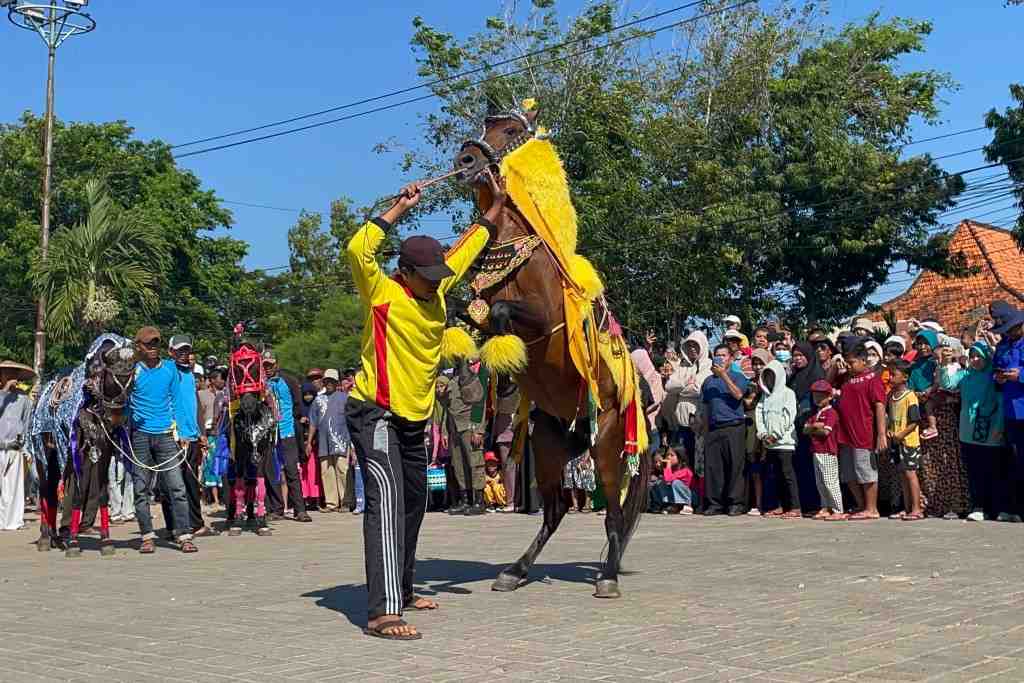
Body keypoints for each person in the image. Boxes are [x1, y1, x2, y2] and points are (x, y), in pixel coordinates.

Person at [345, 175, 503, 640]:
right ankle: (383, 611)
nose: (436, 286)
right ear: (404, 271)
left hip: (416, 419)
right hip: (376, 413)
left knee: (415, 502)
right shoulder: (382, 292)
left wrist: (497, 204)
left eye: (439, 278)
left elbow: (473, 243)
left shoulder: (436, 280)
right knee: (388, 502)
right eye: (426, 279)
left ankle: (405, 585)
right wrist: (399, 208)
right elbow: (359, 248)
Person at [129, 326, 196, 553]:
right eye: (148, 344)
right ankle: (147, 536)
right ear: (138, 347)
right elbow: (121, 400)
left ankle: (184, 534)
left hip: (166, 435)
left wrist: (185, 433)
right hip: (140, 436)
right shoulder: (132, 371)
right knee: (141, 489)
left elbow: (178, 402)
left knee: (177, 487)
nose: (153, 348)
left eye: (156, 343)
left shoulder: (170, 369)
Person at [941, 341, 1007, 522]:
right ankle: (979, 506)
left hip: (991, 431)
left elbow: (1001, 403)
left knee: (995, 471)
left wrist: (999, 427)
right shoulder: (966, 375)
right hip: (968, 432)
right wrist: (945, 363)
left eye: (978, 356)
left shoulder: (994, 376)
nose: (975, 360)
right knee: (975, 472)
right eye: (972, 357)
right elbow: (948, 383)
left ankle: (999, 507)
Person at [163, 335, 217, 538]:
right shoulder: (167, 371)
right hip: (174, 437)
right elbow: (165, 403)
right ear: (170, 351)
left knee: (192, 482)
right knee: (171, 484)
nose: (184, 354)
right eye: (179, 350)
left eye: (187, 350)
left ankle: (195, 523)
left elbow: (194, 407)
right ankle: (173, 526)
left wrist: (201, 433)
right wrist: (174, 431)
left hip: (192, 437)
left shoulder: (190, 375)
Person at [835, 342, 887, 520]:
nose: (848, 366)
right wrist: (836, 367)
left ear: (863, 361)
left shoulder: (873, 379)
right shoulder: (845, 379)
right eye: (846, 362)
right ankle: (860, 504)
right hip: (845, 433)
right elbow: (826, 382)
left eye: (852, 362)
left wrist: (881, 434)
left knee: (866, 471)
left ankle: (872, 508)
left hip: (863, 433)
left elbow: (879, 406)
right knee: (849, 473)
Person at [699, 344, 749, 515]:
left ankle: (736, 502)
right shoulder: (707, 381)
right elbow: (705, 407)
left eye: (723, 355)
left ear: (730, 358)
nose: (720, 358)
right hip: (714, 428)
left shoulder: (738, 377)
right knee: (714, 468)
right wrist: (704, 430)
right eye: (717, 355)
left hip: (734, 426)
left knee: (735, 466)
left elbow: (738, 395)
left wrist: (724, 376)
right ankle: (715, 503)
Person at [263, 352, 312, 523]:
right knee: (272, 472)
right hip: (268, 434)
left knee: (291, 470)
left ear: (276, 364)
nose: (267, 368)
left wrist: (294, 421)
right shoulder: (260, 383)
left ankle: (300, 510)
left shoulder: (288, 380)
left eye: (270, 364)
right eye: (264, 365)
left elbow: (298, 405)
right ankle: (276, 509)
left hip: (287, 431)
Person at [440, 359, 487, 516]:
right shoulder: (452, 380)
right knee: (459, 466)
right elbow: (447, 409)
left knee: (475, 464)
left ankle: (479, 501)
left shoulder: (472, 378)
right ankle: (466, 500)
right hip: (455, 429)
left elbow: (479, 405)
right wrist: (445, 432)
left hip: (469, 426)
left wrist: (478, 430)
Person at [991, 302, 1024, 522]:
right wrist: (998, 377)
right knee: (1014, 462)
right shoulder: (1003, 345)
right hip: (1011, 413)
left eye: (1011, 329)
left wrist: (1020, 375)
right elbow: (994, 369)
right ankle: (1016, 508)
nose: (1009, 334)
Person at [756, 359, 800, 518]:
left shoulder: (788, 393)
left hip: (785, 443)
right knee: (775, 476)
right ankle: (780, 505)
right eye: (766, 377)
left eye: (772, 377)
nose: (769, 380)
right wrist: (763, 434)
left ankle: (795, 507)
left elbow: (789, 417)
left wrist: (775, 435)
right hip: (769, 444)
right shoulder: (765, 397)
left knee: (788, 475)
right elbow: (759, 416)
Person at [307, 369, 350, 512]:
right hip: (323, 441)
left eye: (332, 381)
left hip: (341, 440)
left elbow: (351, 420)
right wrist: (309, 442)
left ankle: (345, 502)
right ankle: (331, 503)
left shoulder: (345, 398)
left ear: (336, 382)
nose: (329, 384)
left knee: (342, 470)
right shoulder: (318, 400)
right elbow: (313, 422)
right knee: (326, 472)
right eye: (327, 381)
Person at [886, 360, 924, 521]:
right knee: (902, 475)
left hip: (908, 442)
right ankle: (907, 507)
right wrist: (889, 431)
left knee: (911, 474)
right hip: (896, 441)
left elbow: (915, 421)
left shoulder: (910, 397)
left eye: (893, 374)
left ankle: (916, 509)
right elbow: (890, 417)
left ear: (905, 377)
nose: (890, 378)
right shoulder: (891, 396)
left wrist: (902, 434)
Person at [804, 379, 844, 521]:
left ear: (829, 396)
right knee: (820, 482)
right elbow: (806, 428)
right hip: (817, 450)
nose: (818, 399)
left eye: (822, 396)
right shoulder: (817, 414)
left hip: (828, 450)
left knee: (830, 481)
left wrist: (813, 427)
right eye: (816, 395)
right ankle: (825, 506)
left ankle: (838, 509)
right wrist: (816, 426)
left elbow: (825, 432)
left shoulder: (831, 413)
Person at [0, 364, 34, 531]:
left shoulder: (24, 399)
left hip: (15, 447)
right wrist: (5, 392)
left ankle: (13, 522)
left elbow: (26, 425)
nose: (11, 376)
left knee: (13, 487)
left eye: (14, 373)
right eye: (7, 373)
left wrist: (26, 449)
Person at [909, 330, 940, 440]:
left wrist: (930, 391)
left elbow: (941, 381)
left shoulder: (938, 362)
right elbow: (911, 385)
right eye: (919, 344)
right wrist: (916, 394)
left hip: (939, 407)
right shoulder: (914, 366)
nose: (922, 347)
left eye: (926, 343)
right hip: (920, 408)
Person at [297, 382, 322, 508]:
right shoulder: (300, 408)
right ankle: (306, 497)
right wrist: (300, 420)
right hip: (302, 444)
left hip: (315, 444)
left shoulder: (317, 405)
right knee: (304, 473)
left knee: (314, 472)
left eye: (310, 394)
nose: (307, 397)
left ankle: (316, 498)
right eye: (305, 394)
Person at [649, 448, 694, 514]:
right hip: (676, 499)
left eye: (672, 455)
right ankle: (671, 505)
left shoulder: (685, 470)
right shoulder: (672, 470)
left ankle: (687, 506)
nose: (668, 457)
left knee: (676, 482)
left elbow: (668, 479)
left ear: (680, 458)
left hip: (688, 497)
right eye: (667, 455)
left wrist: (667, 466)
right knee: (660, 482)